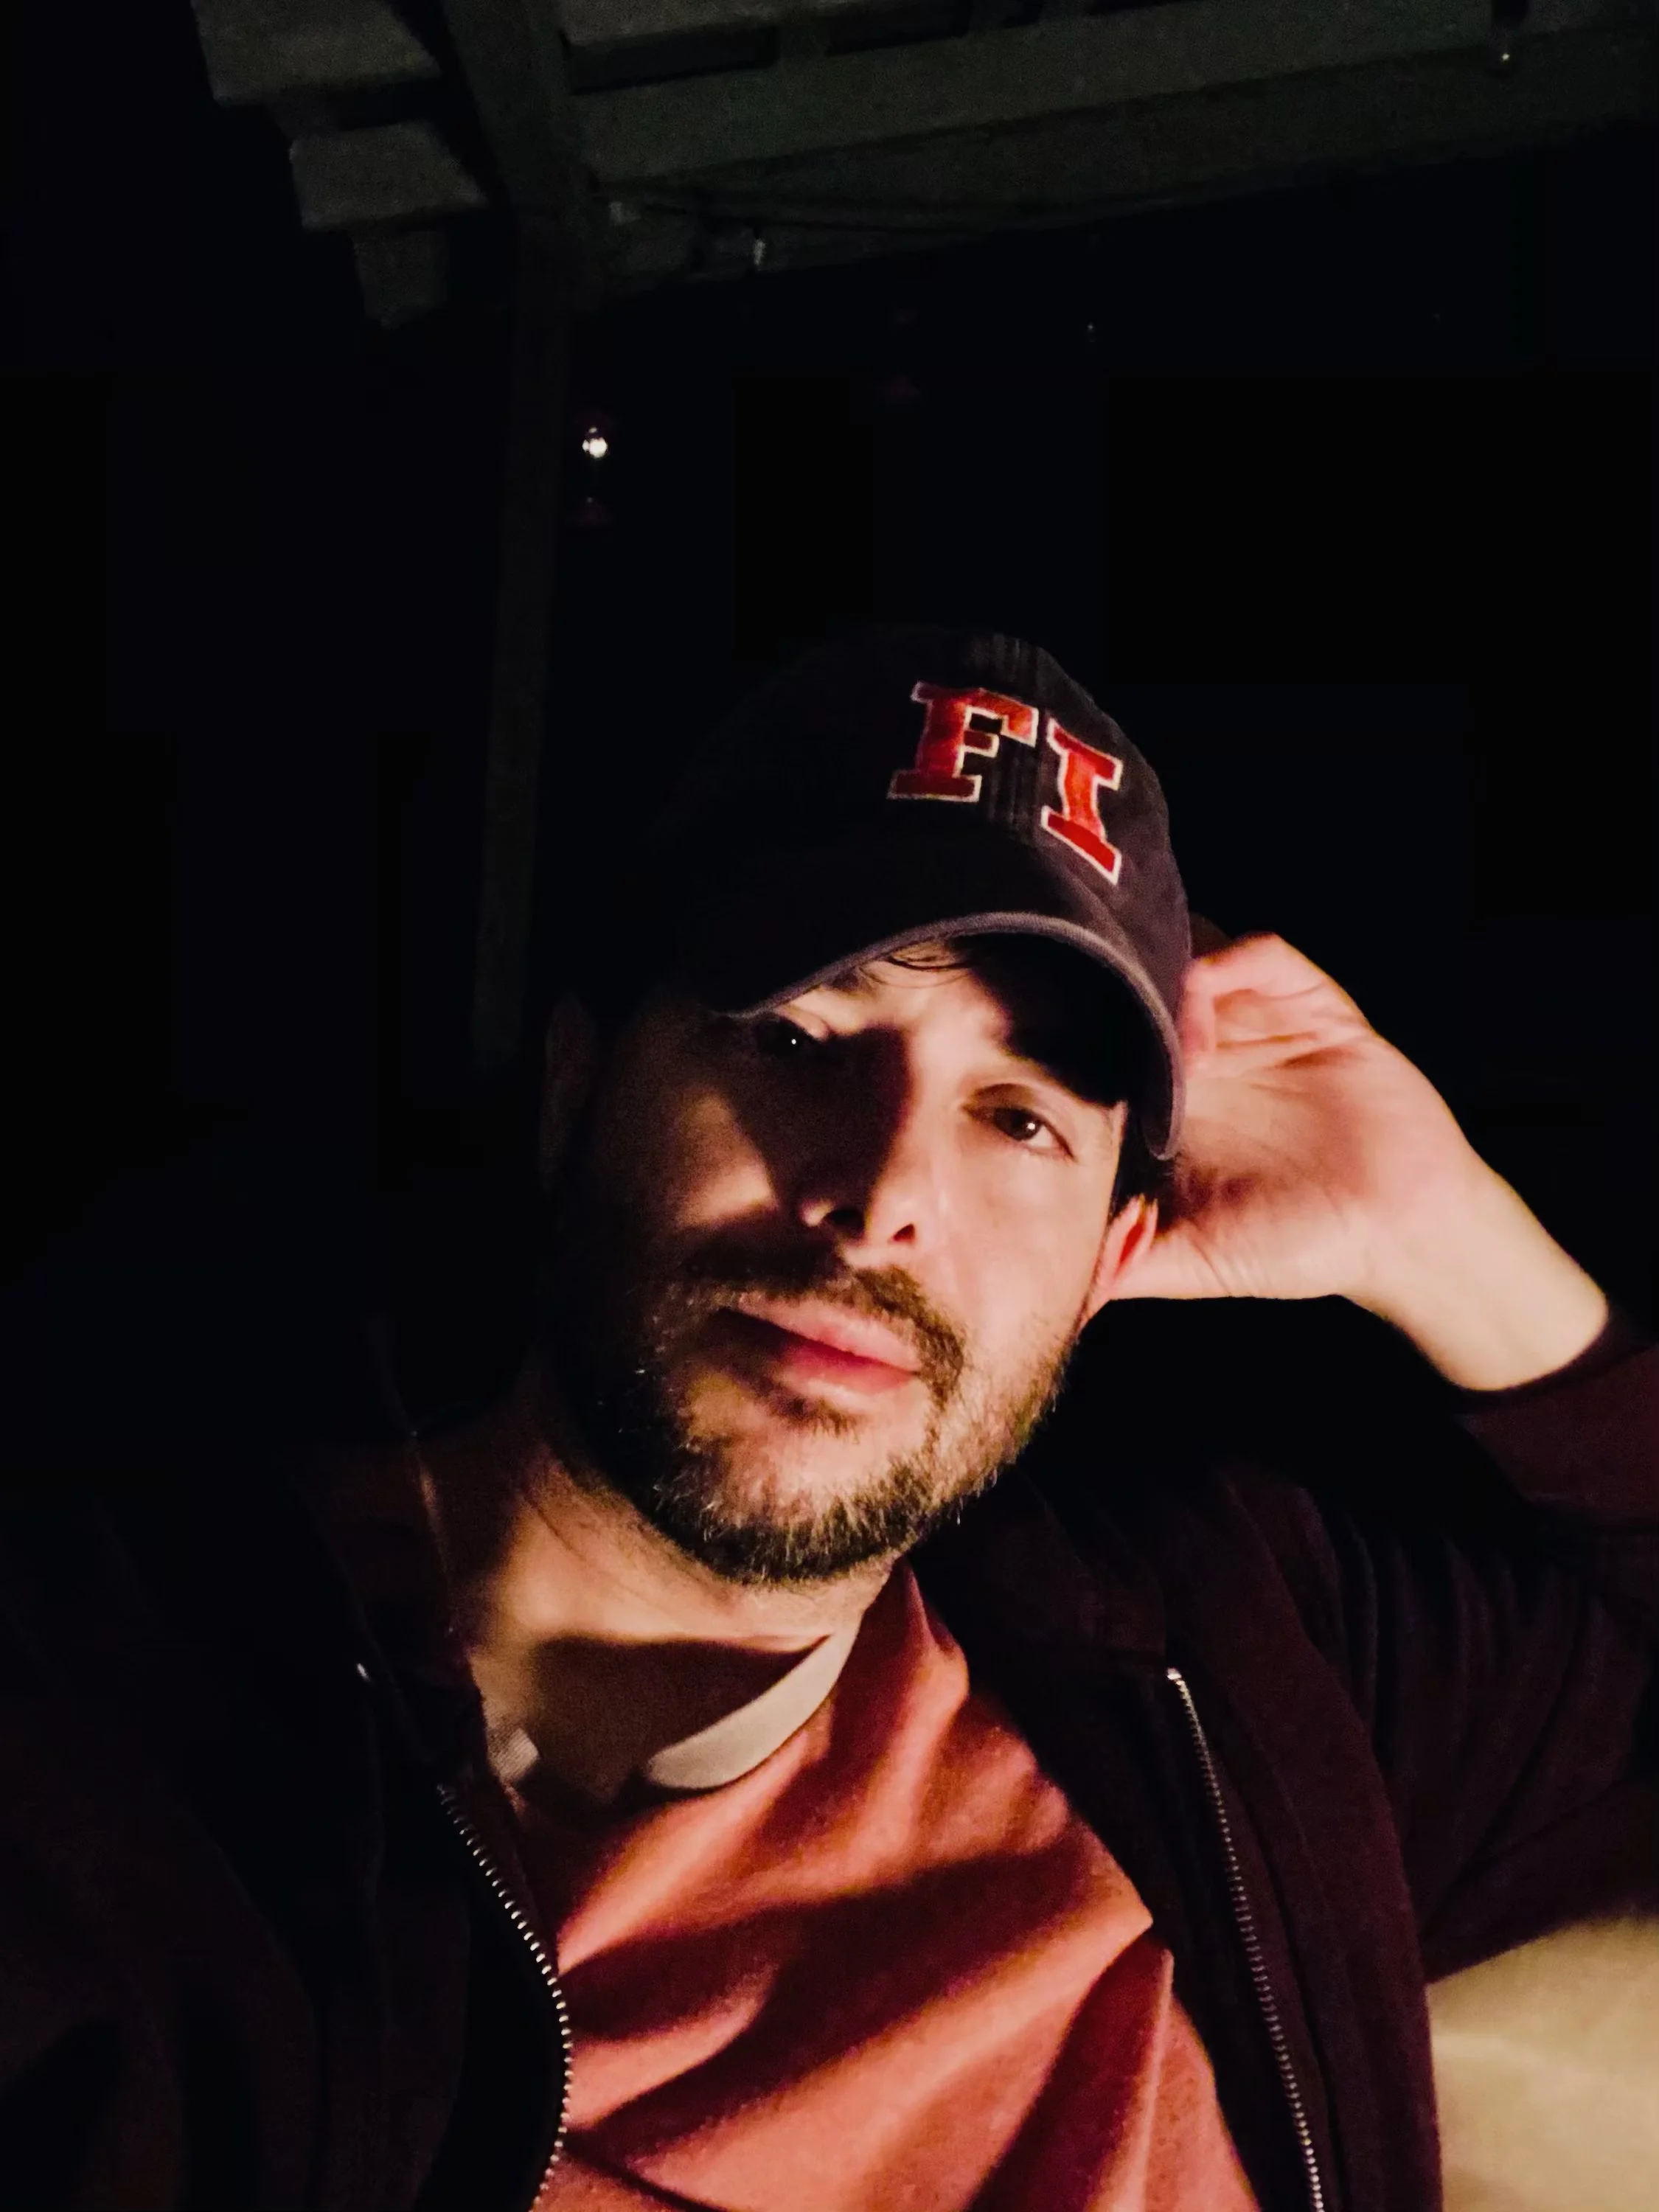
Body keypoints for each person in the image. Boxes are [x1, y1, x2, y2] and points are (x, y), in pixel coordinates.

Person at [1, 627, 1652, 2212]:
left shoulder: (1229, 1659)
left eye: (1017, 1119)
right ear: (579, 1091)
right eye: (800, 1040)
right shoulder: (134, 1773)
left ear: (1116, 1257)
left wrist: (1448, 1233)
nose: (879, 1203)